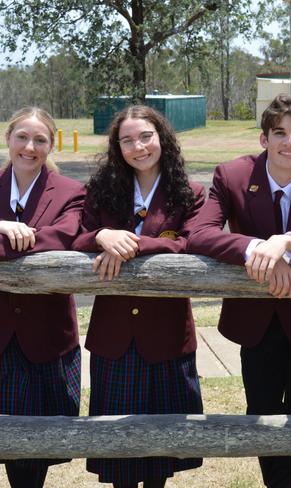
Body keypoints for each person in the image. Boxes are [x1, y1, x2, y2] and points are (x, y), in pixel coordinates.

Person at [188, 93, 291, 488]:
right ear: (264, 139)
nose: (289, 142)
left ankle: (284, 482)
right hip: (254, 317)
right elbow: (200, 233)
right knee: (261, 409)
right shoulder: (231, 175)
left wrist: (288, 242)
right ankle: (283, 484)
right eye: (279, 133)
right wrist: (258, 248)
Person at [72, 105, 205, 488]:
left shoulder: (189, 193)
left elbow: (190, 242)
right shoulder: (101, 190)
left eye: (145, 136)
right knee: (120, 450)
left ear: (161, 137)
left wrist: (129, 242)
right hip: (114, 337)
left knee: (162, 450)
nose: (138, 146)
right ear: (118, 147)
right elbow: (74, 234)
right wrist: (101, 236)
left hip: (167, 335)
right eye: (127, 140)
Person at [0, 107, 85, 488]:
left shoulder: (71, 191)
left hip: (45, 336)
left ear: (52, 145)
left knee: (35, 447)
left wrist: (21, 236)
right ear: (8, 139)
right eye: (22, 137)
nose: (29, 147)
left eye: (40, 140)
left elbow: (62, 238)